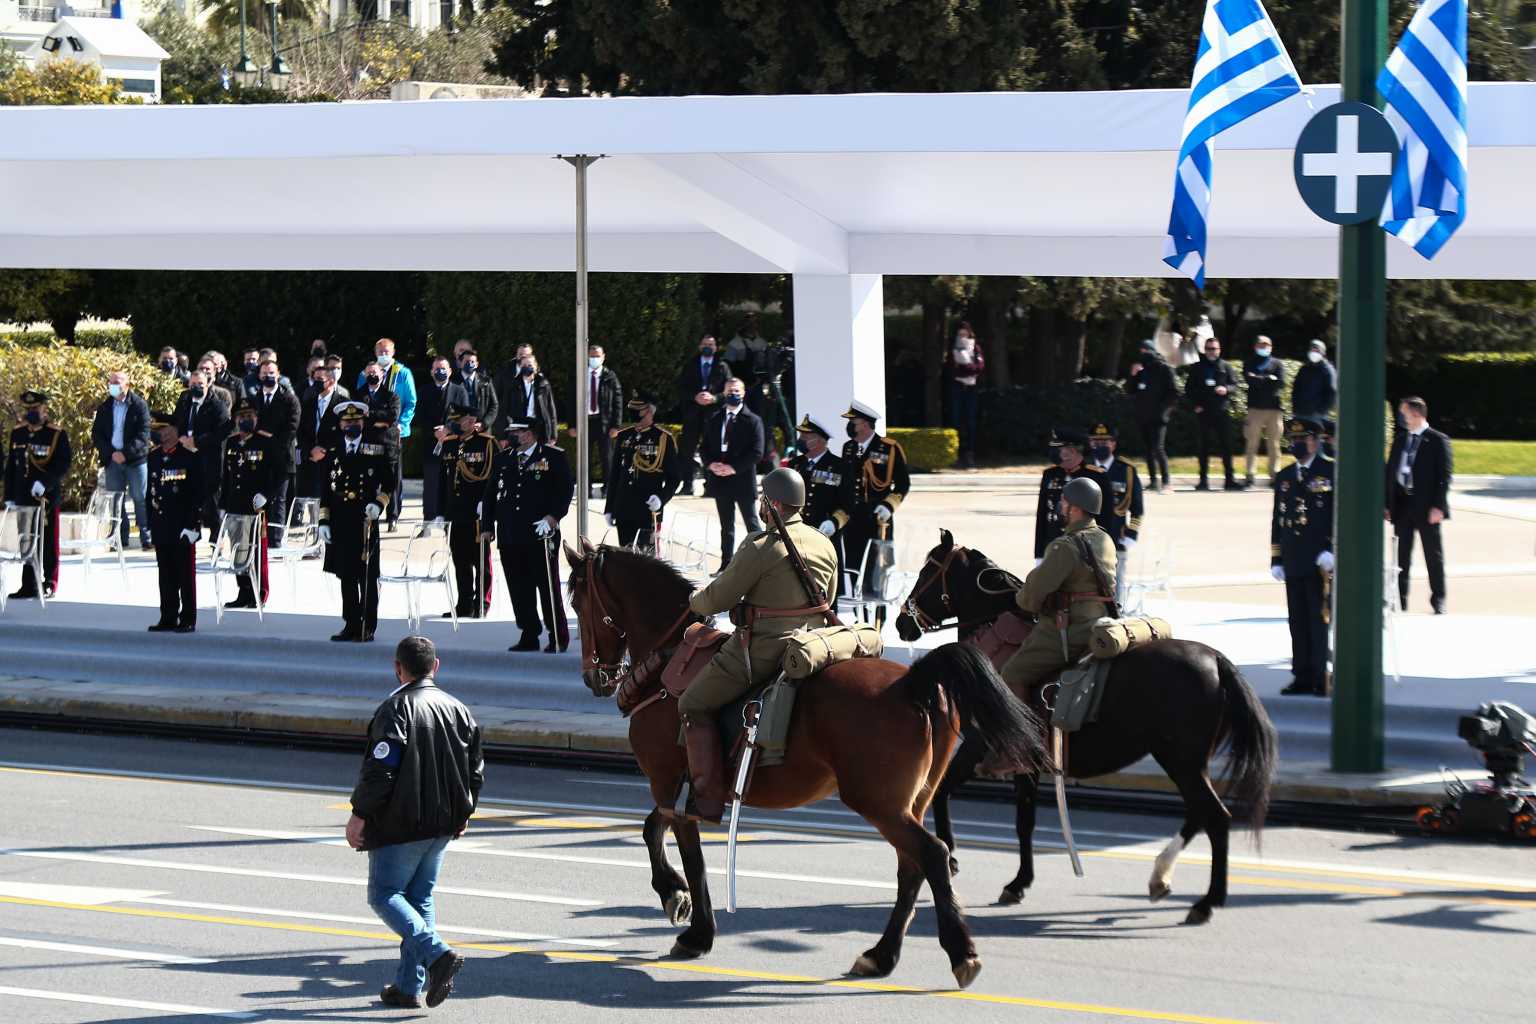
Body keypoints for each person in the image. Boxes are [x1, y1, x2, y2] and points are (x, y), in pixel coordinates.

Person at [679, 467, 838, 822]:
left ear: (772, 503)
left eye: (762, 499)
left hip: (765, 650)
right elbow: (829, 599)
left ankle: (706, 796)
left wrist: (693, 600)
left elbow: (715, 600)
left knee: (693, 703)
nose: (759, 505)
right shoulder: (823, 542)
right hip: (813, 643)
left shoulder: (760, 546)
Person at [347, 634, 481, 1011]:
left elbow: (380, 770)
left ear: (397, 668)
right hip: (442, 824)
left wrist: (359, 814)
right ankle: (408, 987)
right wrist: (464, 812)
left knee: (385, 895)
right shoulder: (459, 709)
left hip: (402, 823)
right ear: (435, 667)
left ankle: (438, 955)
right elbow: (475, 770)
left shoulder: (396, 708)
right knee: (418, 898)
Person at [1001, 477, 1117, 696]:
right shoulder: (1105, 539)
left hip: (1070, 630)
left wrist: (1025, 600)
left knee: (1010, 674)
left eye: (1064, 502)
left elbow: (1031, 597)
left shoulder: (1064, 546)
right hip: (1099, 622)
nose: (1061, 506)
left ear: (1076, 508)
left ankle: (1023, 729)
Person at [481, 419, 573, 653]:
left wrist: (553, 517)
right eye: (511, 431)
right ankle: (529, 632)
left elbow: (564, 490)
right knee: (518, 586)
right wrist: (487, 526)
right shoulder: (504, 458)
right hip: (511, 532)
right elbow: (491, 493)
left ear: (530, 435)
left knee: (546, 586)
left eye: (518, 432)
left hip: (540, 532)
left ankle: (557, 635)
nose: (513, 436)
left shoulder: (552, 456)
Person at [320, 401, 396, 643]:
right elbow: (325, 489)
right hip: (340, 519)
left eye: (355, 421)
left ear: (362, 422)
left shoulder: (376, 447)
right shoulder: (333, 451)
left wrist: (380, 503)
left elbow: (390, 482)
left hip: (365, 520)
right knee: (345, 574)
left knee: (367, 575)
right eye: (346, 422)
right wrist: (323, 520)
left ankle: (367, 625)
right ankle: (350, 623)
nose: (351, 425)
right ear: (340, 424)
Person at [1271, 419, 1334, 696]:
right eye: (1293, 440)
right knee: (1296, 620)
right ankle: (1302, 675)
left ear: (1314, 441)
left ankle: (1321, 675)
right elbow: (1278, 519)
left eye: (1302, 440)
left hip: (1320, 561)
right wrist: (1276, 558)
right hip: (1293, 558)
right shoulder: (1285, 476)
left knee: (1318, 619)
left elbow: (1338, 515)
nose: (1296, 445)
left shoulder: (1330, 471)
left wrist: (1333, 549)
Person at [838, 400, 910, 620]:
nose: (850, 425)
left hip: (879, 520)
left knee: (877, 572)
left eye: (854, 421)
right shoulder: (848, 448)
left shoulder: (889, 447)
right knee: (853, 567)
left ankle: (878, 620)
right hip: (853, 519)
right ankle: (859, 618)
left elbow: (903, 484)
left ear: (866, 424)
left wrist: (889, 505)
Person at [1386, 396, 1453, 614]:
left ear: (1416, 414)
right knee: (1401, 555)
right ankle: (1399, 599)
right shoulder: (1400, 440)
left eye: (1404, 413)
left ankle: (1439, 598)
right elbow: (1390, 473)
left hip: (1426, 506)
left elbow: (1444, 476)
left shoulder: (1437, 440)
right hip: (1403, 504)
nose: (1402, 418)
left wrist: (1439, 506)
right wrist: (1387, 504)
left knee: (1433, 555)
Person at [4, 389, 73, 599]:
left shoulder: (56, 434)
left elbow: (63, 464)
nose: (31, 412)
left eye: (35, 408)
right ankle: (29, 584)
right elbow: (12, 468)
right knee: (26, 540)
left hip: (46, 497)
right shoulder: (18, 433)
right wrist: (8, 496)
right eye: (28, 409)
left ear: (44, 409)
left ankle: (50, 582)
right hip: (23, 496)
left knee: (48, 541)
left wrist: (45, 483)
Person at [144, 410, 202, 632]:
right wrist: (148, 524)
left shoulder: (190, 458)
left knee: (185, 574)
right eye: (156, 430)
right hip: (161, 523)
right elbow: (150, 493)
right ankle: (167, 615)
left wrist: (194, 525)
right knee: (165, 573)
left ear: (174, 431)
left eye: (162, 430)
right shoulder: (154, 456)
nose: (158, 434)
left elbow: (197, 494)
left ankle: (188, 617)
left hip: (182, 524)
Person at [219, 397, 280, 609]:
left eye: (249, 416)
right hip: (235, 505)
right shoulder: (232, 442)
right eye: (242, 417)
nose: (246, 420)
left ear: (256, 418)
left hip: (256, 505)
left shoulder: (266, 441)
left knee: (257, 550)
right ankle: (243, 591)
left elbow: (280, 474)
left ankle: (259, 592)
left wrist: (267, 495)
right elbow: (227, 476)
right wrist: (223, 505)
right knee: (238, 549)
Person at [438, 402, 496, 619]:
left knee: (481, 559)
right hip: (455, 512)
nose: (455, 423)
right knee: (459, 560)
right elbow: (443, 480)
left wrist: (487, 504)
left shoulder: (487, 444)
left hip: (477, 513)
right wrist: (439, 511)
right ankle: (464, 603)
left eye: (459, 420)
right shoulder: (450, 444)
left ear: (471, 421)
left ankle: (482, 603)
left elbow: (492, 477)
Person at [604, 391, 681, 552]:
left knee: (646, 559)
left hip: (648, 507)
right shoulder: (624, 436)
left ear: (649, 412)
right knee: (626, 556)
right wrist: (609, 507)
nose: (634, 415)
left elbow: (674, 478)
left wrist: (661, 499)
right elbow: (615, 475)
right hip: (624, 506)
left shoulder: (663, 439)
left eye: (638, 411)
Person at [700, 377, 764, 570]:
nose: (733, 394)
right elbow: (704, 448)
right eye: (729, 391)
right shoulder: (714, 418)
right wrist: (711, 465)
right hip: (720, 480)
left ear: (743, 393)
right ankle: (726, 565)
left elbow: (757, 452)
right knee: (726, 527)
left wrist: (733, 468)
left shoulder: (753, 420)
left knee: (752, 524)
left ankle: (761, 565)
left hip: (742, 479)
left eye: (736, 391)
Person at [357, 339, 416, 532]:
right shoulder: (363, 375)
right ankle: (369, 511)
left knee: (393, 476)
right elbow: (359, 410)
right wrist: (376, 419)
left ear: (393, 351)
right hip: (368, 437)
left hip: (393, 434)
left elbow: (408, 404)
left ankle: (393, 516)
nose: (383, 354)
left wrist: (400, 424)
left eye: (386, 351)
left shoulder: (403, 373)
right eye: (380, 351)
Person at [91, 371, 152, 551]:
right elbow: (97, 434)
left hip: (135, 460)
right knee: (116, 500)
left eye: (117, 382)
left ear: (127, 385)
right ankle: (119, 537)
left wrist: (126, 453)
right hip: (113, 460)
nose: (113, 386)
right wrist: (111, 453)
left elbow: (143, 435)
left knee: (140, 498)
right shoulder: (105, 407)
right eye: (111, 383)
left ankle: (146, 536)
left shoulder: (139, 405)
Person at [1086, 424, 1143, 608]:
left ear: (1113, 444)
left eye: (1105, 442)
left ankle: (1117, 613)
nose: (1100, 445)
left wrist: (1131, 534)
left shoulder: (1126, 469)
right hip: (1086, 537)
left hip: (1116, 535)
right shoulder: (1084, 467)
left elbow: (1137, 506)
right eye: (1096, 442)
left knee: (1116, 580)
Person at [1034, 428, 1103, 562]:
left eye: (1061, 448)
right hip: (1052, 546)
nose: (1058, 453)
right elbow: (1042, 515)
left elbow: (1105, 517)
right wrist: (1039, 554)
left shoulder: (1097, 476)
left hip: (1085, 550)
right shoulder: (1050, 475)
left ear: (1073, 450)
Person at [674, 335, 731, 496]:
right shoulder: (690, 365)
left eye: (711, 344)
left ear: (716, 348)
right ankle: (687, 485)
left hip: (713, 415)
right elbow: (681, 389)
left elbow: (729, 390)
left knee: (711, 450)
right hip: (692, 414)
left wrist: (714, 398)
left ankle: (711, 486)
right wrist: (694, 397)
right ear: (700, 346)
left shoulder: (722, 366)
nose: (708, 347)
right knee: (687, 450)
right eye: (705, 344)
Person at [251, 358, 300, 541]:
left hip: (282, 456)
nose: (268, 376)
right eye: (265, 373)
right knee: (259, 498)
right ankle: (259, 539)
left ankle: (276, 539)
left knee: (279, 500)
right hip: (259, 458)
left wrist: (271, 438)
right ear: (259, 376)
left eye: (272, 373)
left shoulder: (289, 400)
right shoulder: (254, 400)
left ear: (278, 374)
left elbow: (292, 428)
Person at [1184, 335, 1241, 490]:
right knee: (1203, 447)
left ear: (1219, 350)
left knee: (1226, 447)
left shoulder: (1226, 366)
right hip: (1204, 412)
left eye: (1214, 349)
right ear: (1205, 350)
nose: (1211, 352)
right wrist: (1195, 405)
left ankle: (1230, 480)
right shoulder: (1197, 367)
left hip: (1222, 411)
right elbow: (1189, 389)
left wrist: (1226, 389)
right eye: (1208, 349)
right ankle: (1203, 481)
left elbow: (1235, 385)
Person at [419, 357, 468, 522]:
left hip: (453, 442)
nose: (440, 371)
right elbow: (419, 416)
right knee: (431, 483)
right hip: (431, 443)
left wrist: (448, 429)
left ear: (450, 371)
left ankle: (449, 516)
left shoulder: (459, 391)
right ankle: (429, 519)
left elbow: (465, 417)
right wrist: (434, 432)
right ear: (432, 372)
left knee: (452, 481)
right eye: (437, 368)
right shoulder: (424, 391)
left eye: (444, 368)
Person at [1125, 338, 1178, 493]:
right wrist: (1133, 375)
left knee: (1158, 448)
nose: (1143, 354)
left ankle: (1167, 482)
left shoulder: (1164, 369)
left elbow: (1173, 393)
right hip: (1143, 415)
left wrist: (1163, 410)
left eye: (1146, 351)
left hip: (1159, 416)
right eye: (1141, 351)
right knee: (1147, 449)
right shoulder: (1141, 370)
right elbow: (1130, 390)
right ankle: (1153, 481)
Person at [569, 343, 622, 495]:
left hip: (603, 422)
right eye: (592, 356)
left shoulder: (610, 376)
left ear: (603, 357)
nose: (594, 359)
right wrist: (572, 425)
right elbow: (572, 401)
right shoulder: (579, 375)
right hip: (585, 422)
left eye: (597, 356)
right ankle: (586, 487)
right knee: (585, 457)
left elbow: (617, 401)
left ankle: (608, 487)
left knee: (607, 457)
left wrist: (615, 425)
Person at [1242, 335, 1288, 488]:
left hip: (1274, 410)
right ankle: (1250, 475)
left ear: (1271, 347)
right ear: (1255, 347)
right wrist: (1269, 379)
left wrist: (1260, 379)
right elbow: (1250, 381)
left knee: (1274, 444)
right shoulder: (1249, 363)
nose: (1264, 347)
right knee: (1251, 443)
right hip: (1255, 409)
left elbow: (1280, 383)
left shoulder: (1278, 364)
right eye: (1261, 345)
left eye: (1267, 345)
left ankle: (1274, 475)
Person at [298, 364, 349, 500]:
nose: (316, 382)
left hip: (332, 458)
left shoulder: (343, 404)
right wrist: (310, 450)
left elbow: (343, 432)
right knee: (311, 500)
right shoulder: (308, 403)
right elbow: (301, 431)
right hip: (311, 459)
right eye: (315, 379)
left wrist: (324, 449)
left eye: (320, 379)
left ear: (331, 381)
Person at [946, 322, 986, 468]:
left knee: (970, 421)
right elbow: (952, 370)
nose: (962, 337)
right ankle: (955, 453)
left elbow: (979, 367)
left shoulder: (975, 348)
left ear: (970, 334)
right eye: (960, 334)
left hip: (971, 388)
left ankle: (970, 454)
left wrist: (965, 366)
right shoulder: (953, 349)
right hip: (957, 387)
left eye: (965, 334)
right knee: (955, 420)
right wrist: (966, 368)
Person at [498, 351, 559, 445]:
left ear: (535, 366)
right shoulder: (513, 385)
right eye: (524, 365)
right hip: (519, 428)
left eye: (530, 364)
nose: (527, 367)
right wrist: (503, 435)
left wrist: (553, 435)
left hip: (539, 427)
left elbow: (551, 410)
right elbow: (504, 410)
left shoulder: (543, 384)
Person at [1291, 339, 1339, 424]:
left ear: (1323, 353)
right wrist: (1295, 407)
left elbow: (1332, 392)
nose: (1314, 352)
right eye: (1312, 350)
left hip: (1316, 415)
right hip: (1299, 413)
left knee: (1314, 437)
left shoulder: (1328, 369)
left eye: (1317, 350)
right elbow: (1296, 388)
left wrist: (1321, 411)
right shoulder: (1304, 368)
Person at [453, 349, 498, 430]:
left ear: (477, 364)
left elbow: (494, 405)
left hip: (482, 431)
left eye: (472, 362)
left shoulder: (486, 381)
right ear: (460, 363)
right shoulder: (453, 382)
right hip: (460, 431)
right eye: (467, 361)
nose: (470, 364)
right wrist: (459, 423)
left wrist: (484, 423)